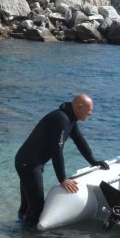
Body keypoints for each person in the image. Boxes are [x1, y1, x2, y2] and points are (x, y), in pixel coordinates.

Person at [14, 93, 107, 227]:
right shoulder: (61, 119)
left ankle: (18, 231)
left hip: (28, 162)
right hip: (28, 164)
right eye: (89, 110)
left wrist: (93, 161)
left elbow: (80, 141)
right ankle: (29, 236)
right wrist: (63, 179)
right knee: (37, 208)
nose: (91, 113)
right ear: (79, 107)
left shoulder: (70, 118)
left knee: (27, 206)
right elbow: (56, 151)